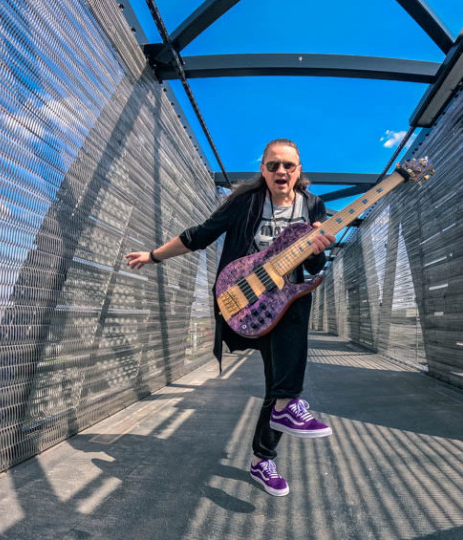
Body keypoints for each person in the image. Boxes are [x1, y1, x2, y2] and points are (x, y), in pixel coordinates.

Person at [126, 138, 336, 497]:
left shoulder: (314, 205)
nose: (281, 171)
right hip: (243, 299)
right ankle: (286, 405)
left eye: (288, 165)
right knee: (284, 385)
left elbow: (314, 266)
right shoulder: (246, 201)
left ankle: (263, 457)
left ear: (299, 170)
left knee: (280, 382)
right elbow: (200, 235)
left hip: (282, 302)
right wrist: (154, 255)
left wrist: (318, 252)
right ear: (263, 170)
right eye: (273, 165)